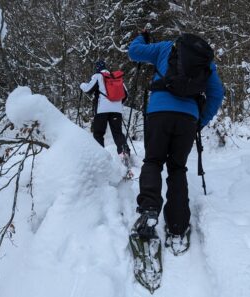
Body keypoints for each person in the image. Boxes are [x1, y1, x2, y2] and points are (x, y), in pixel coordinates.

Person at [128, 32, 224, 255]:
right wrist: (200, 120)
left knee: (153, 161)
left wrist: (141, 38)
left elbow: (134, 52)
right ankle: (178, 225)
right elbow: (217, 93)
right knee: (177, 168)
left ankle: (149, 210)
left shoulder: (164, 48)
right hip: (188, 118)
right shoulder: (205, 62)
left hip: (159, 113)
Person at [80, 60, 130, 158]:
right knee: (117, 133)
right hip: (116, 111)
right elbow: (125, 94)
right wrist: (116, 104)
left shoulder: (98, 76)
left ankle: (100, 156)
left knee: (98, 133)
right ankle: (124, 152)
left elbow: (88, 89)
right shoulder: (116, 78)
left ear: (97, 68)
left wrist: (81, 85)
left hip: (101, 110)